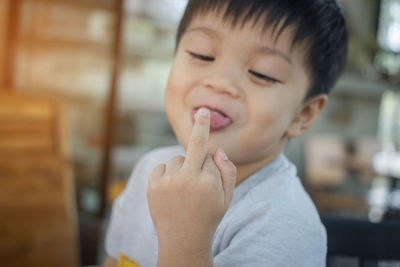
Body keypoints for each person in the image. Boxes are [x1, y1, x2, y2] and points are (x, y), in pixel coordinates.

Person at [102, 0, 348, 266]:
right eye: (202, 55)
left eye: (261, 73)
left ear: (304, 114)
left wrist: (186, 240)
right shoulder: (150, 170)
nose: (221, 82)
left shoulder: (287, 224)